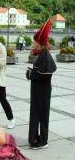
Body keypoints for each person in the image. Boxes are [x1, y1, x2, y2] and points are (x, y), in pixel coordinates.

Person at [26, 19, 57, 149]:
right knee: (36, 114)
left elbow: (46, 74)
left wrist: (30, 74)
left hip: (42, 92)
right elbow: (40, 72)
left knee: (42, 115)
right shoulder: (41, 54)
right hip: (38, 90)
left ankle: (43, 141)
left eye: (35, 42)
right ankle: (34, 139)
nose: (33, 44)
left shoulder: (45, 56)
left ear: (40, 43)